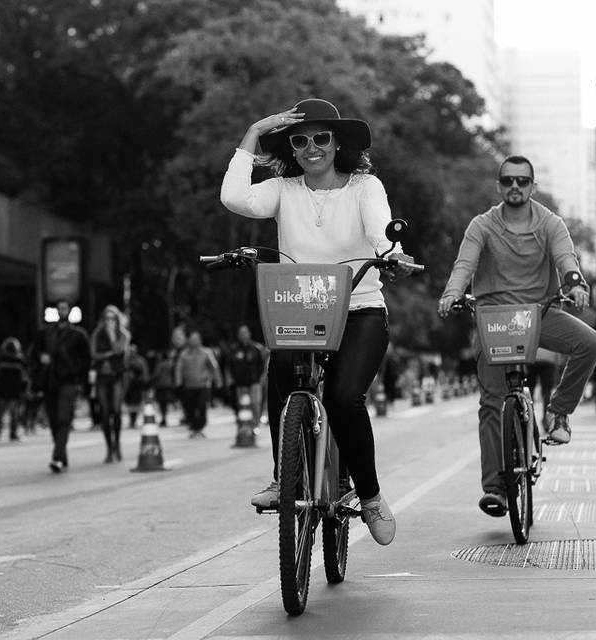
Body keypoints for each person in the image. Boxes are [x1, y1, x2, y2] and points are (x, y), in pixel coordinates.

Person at [220, 97, 417, 545]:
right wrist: (254, 131)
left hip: (360, 309)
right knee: (281, 371)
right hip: (302, 308)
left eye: (321, 138)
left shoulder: (365, 186)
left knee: (346, 397)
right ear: (291, 147)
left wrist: (392, 255)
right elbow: (234, 197)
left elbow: (380, 228)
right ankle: (282, 477)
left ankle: (368, 496)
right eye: (300, 140)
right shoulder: (283, 190)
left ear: (337, 144)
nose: (311, 147)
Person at [437, 155, 596, 518]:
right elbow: (464, 263)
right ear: (499, 186)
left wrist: (574, 283)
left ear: (532, 186)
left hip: (539, 313)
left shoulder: (550, 223)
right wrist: (452, 292)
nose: (515, 187)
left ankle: (558, 414)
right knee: (492, 402)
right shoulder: (482, 225)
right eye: (508, 180)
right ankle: (495, 487)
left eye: (522, 181)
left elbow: (566, 258)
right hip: (493, 318)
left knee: (590, 342)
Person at [30, 299, 91, 473]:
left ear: (70, 311)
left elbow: (86, 360)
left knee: (64, 419)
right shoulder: (46, 333)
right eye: (59, 308)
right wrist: (41, 358)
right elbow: (33, 353)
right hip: (50, 381)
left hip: (68, 381)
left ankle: (56, 457)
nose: (62, 311)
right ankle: (61, 454)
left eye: (65, 308)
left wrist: (76, 373)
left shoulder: (78, 335)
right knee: (54, 420)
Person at [91, 305, 129, 462]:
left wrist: (112, 335)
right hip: (102, 376)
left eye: (113, 318)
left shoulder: (123, 334)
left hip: (117, 376)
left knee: (116, 410)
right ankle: (109, 448)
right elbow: (94, 354)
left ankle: (117, 443)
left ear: (117, 319)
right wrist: (107, 354)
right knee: (105, 413)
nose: (109, 321)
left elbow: (119, 351)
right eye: (106, 318)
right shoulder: (97, 334)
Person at [174, 330, 220, 438]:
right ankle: (193, 427)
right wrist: (178, 380)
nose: (194, 341)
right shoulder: (184, 354)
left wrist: (217, 380)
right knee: (189, 407)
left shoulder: (206, 352)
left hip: (203, 386)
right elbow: (178, 368)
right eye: (192, 339)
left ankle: (199, 427)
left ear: (200, 341)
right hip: (189, 386)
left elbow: (214, 367)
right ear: (189, 341)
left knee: (201, 406)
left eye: (196, 339)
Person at [226, 324, 268, 428]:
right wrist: (229, 379)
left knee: (255, 404)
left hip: (255, 382)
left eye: (245, 332)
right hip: (240, 383)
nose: (243, 335)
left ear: (249, 334)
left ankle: (255, 425)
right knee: (242, 406)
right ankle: (244, 427)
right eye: (241, 333)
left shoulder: (257, 348)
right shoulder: (234, 349)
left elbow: (264, 365)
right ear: (238, 335)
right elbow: (229, 366)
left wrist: (263, 378)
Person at [0, 337, 28, 442]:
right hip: (14, 391)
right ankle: (13, 433)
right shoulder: (20, 361)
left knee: (0, 413)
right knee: (14, 414)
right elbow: (24, 378)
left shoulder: (0, 361)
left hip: (2, 391)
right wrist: (23, 390)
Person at [123, 344, 150, 428]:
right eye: (130, 351)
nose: (132, 352)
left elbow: (145, 372)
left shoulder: (140, 360)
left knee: (136, 403)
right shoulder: (125, 361)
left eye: (133, 351)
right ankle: (132, 419)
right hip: (128, 385)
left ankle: (133, 420)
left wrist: (145, 382)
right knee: (130, 403)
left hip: (137, 385)